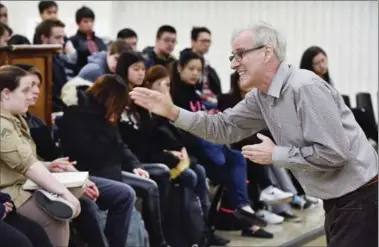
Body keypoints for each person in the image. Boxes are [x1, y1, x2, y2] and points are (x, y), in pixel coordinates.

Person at [129, 23, 378, 247]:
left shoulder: (304, 87)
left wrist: (276, 154)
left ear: (267, 52)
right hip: (341, 201)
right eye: (232, 56)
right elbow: (222, 127)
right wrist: (172, 112)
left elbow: (334, 153)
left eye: (240, 54)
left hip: (360, 199)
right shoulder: (262, 96)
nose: (233, 64)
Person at [15, 63, 137, 247]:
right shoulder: (76, 114)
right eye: (29, 86)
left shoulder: (35, 122)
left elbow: (55, 156)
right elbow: (30, 164)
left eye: (37, 86)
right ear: (9, 91)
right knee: (84, 204)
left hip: (60, 173)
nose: (36, 92)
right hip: (32, 181)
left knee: (127, 192)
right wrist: (75, 180)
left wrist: (74, 176)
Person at [0, 65, 80, 247]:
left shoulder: (15, 118)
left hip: (22, 185)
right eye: (25, 90)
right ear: (6, 93)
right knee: (54, 220)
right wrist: (63, 192)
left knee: (77, 204)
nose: (31, 96)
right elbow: (26, 164)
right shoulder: (2, 125)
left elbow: (22, 160)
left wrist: (48, 165)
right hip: (9, 193)